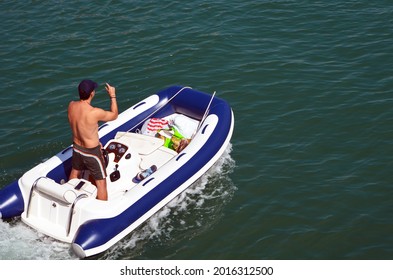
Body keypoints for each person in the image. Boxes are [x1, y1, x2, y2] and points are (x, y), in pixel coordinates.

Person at [68, 79, 118, 200]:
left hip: (77, 148)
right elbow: (114, 115)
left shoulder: (71, 105)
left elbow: (83, 127)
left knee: (75, 172)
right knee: (101, 183)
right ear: (92, 94)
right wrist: (112, 96)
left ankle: (68, 196)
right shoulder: (94, 112)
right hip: (92, 153)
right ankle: (101, 210)